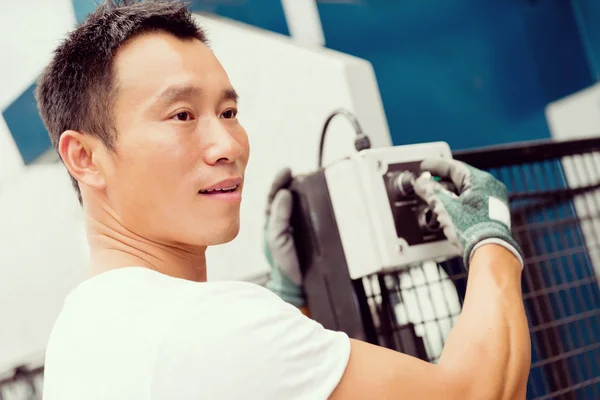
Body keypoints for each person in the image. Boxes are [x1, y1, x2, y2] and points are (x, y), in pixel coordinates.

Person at [37, 1, 530, 399]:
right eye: (182, 115)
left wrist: (288, 301)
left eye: (229, 111)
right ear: (85, 158)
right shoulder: (211, 326)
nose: (229, 145)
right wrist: (492, 241)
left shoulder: (79, 336)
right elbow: (476, 391)